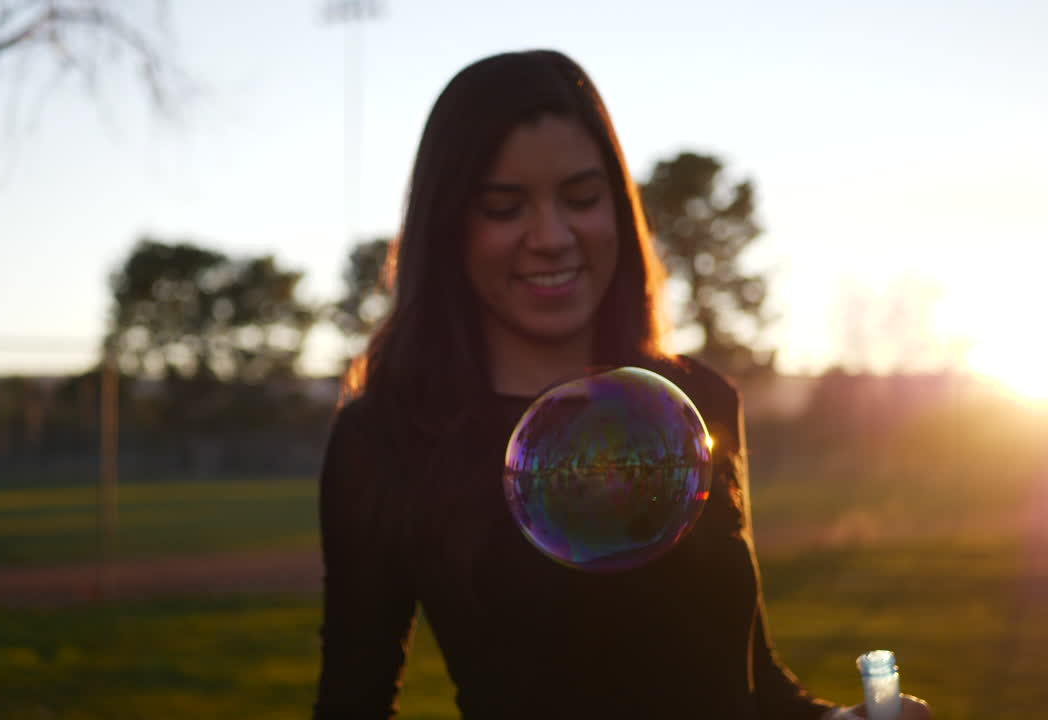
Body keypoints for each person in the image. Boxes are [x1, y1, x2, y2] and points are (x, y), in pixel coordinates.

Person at [313, 50, 932, 720]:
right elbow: (355, 697)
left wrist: (841, 719)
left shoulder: (698, 402)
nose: (552, 237)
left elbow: (751, 681)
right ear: (448, 225)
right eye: (503, 207)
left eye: (581, 198)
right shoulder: (388, 438)